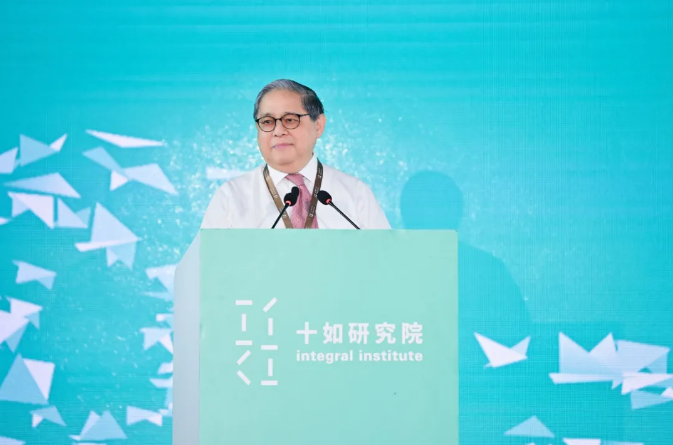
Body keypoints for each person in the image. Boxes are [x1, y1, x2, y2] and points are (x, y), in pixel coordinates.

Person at [200, 79, 390, 230]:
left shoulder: (355, 194)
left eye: (290, 120)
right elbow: (205, 264)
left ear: (318, 125)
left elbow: (385, 260)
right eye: (267, 122)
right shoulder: (231, 197)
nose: (278, 131)